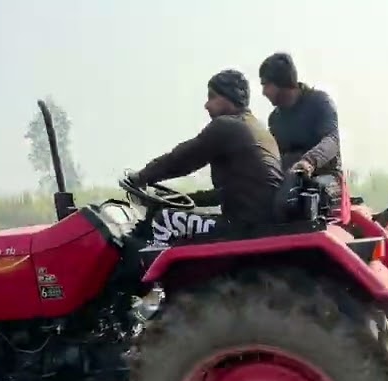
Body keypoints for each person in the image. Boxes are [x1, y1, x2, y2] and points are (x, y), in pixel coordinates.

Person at [126, 69, 284, 245]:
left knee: (164, 219)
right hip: (259, 224)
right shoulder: (257, 128)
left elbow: (181, 160)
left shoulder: (226, 126)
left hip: (243, 228)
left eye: (212, 97)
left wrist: (142, 176)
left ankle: (146, 263)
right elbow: (228, 193)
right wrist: (182, 199)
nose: (207, 105)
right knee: (177, 216)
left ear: (229, 97)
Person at [259, 52, 341, 184]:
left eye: (266, 85)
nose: (264, 92)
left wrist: (309, 161)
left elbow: (332, 140)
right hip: (292, 179)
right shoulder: (275, 119)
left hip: (326, 177)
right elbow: (275, 155)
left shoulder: (319, 102)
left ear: (281, 82)